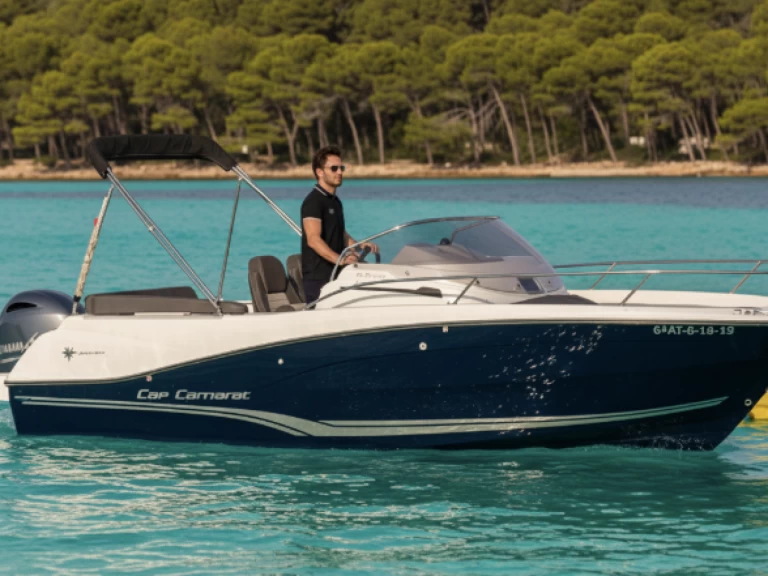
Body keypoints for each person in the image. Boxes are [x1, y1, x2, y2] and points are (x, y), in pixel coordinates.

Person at [301, 146, 377, 303]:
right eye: (334, 168)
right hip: (319, 279)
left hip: (337, 275)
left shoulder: (335, 202)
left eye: (341, 168)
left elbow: (340, 233)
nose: (340, 172)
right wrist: (341, 260)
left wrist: (359, 245)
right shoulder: (313, 202)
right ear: (319, 172)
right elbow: (313, 240)